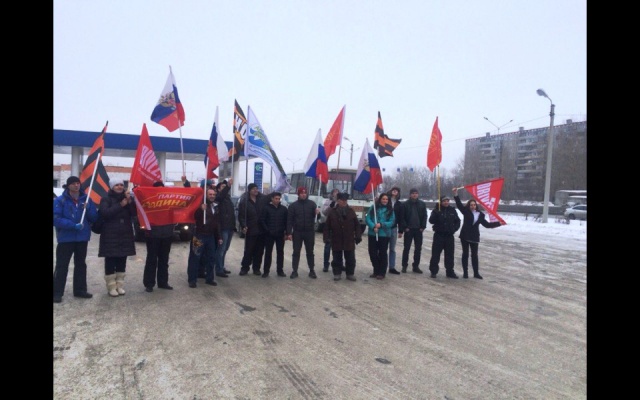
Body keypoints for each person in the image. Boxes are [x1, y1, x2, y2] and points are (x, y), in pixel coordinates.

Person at [53, 176, 100, 303]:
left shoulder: (86, 199)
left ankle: (80, 290)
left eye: (78, 183)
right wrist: (72, 225)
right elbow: (56, 219)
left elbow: (94, 218)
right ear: (68, 185)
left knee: (80, 264)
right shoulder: (60, 200)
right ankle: (57, 292)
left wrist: (88, 209)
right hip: (66, 238)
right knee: (62, 265)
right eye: (73, 183)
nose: (76, 185)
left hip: (82, 238)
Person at [98, 178, 137, 297]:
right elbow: (105, 213)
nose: (119, 187)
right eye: (116, 185)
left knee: (122, 260)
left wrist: (130, 202)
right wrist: (120, 205)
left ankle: (120, 285)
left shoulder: (127, 198)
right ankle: (111, 286)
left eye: (121, 185)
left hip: (125, 234)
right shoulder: (106, 199)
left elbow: (134, 214)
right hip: (110, 234)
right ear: (112, 187)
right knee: (110, 260)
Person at [453, 187, 502, 279]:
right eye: (471, 205)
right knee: (465, 254)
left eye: (474, 205)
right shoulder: (466, 212)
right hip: (465, 236)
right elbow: (459, 204)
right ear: (469, 205)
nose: (473, 206)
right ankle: (465, 273)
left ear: (476, 205)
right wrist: (456, 194)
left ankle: (476, 273)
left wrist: (499, 223)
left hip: (474, 237)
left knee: (474, 255)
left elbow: (487, 225)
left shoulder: (480, 215)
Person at [142, 181, 176, 293]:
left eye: (162, 188)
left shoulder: (169, 201)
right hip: (153, 235)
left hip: (167, 234)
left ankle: (163, 282)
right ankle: (149, 283)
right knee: (151, 260)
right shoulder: (149, 201)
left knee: (164, 260)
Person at [187, 186, 223, 288]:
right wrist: (200, 210)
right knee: (195, 257)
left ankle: (210, 278)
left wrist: (219, 236)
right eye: (210, 194)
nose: (212, 196)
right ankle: (192, 280)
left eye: (214, 194)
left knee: (211, 258)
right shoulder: (199, 205)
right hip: (199, 236)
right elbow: (194, 216)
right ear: (206, 195)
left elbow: (217, 223)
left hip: (210, 236)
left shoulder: (215, 206)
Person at [323, 192, 362, 281]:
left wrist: (358, 236)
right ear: (338, 201)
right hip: (336, 238)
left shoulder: (351, 211)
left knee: (350, 258)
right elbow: (327, 227)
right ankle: (337, 273)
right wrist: (326, 238)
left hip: (349, 239)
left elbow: (357, 225)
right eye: (342, 200)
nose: (344, 202)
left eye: (345, 200)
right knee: (336, 258)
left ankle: (350, 273)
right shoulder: (332, 212)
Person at [286, 186, 320, 279]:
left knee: (310, 252)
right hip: (297, 232)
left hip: (309, 232)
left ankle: (312, 270)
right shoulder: (293, 206)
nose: (303, 195)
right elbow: (289, 220)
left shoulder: (312, 204)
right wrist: (289, 233)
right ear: (298, 194)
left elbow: (317, 218)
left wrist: (318, 213)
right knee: (296, 252)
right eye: (301, 193)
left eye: (305, 193)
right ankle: (294, 271)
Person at [428, 195, 462, 279]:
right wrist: (436, 213)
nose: (446, 202)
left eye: (447, 201)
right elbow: (431, 221)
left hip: (449, 236)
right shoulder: (437, 210)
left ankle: (450, 271)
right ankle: (433, 271)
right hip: (439, 235)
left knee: (449, 255)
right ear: (441, 202)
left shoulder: (452, 210)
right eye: (444, 201)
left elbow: (458, 221)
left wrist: (454, 229)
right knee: (435, 254)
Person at [238, 183, 267, 276]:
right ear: (249, 190)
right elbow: (241, 216)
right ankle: (245, 268)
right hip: (250, 229)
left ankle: (256, 268)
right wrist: (243, 225)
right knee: (248, 250)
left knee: (259, 251)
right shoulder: (245, 201)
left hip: (261, 230)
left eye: (256, 188)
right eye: (253, 189)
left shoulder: (262, 200)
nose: (255, 190)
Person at [365, 193, 396, 280]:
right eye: (383, 199)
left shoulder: (390, 210)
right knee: (372, 253)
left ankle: (382, 272)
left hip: (384, 234)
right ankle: (376, 270)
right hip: (373, 233)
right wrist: (373, 226)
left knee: (382, 253)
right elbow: (367, 218)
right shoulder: (373, 208)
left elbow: (392, 222)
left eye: (386, 199)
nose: (385, 201)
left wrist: (381, 225)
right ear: (380, 199)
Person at [259, 191, 288, 277]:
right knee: (268, 253)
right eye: (276, 198)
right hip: (269, 234)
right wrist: (267, 230)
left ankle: (280, 270)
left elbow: (286, 221)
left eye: (279, 199)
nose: (277, 200)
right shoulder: (266, 208)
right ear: (272, 199)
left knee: (280, 253)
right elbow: (262, 220)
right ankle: (266, 271)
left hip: (280, 234)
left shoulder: (283, 209)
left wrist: (286, 232)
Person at [399, 188, 428, 273]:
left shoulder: (422, 204)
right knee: (406, 248)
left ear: (418, 194)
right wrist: (405, 227)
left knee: (418, 249)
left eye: (416, 193)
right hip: (409, 230)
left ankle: (415, 266)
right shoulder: (405, 204)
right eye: (413, 193)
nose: (414, 195)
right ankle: (404, 266)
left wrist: (423, 226)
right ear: (410, 195)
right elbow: (402, 217)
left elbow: (425, 216)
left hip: (418, 230)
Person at [214, 178, 234, 278]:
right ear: (218, 189)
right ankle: (218, 269)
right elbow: (221, 196)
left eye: (225, 187)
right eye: (223, 187)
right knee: (221, 249)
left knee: (225, 249)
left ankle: (221, 266)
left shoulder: (228, 199)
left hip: (230, 227)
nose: (225, 188)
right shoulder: (218, 198)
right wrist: (228, 186)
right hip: (223, 228)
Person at [321, 188, 340, 272]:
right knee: (327, 247)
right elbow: (324, 212)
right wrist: (331, 206)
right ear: (332, 194)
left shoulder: (341, 202)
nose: (336, 194)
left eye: (337, 193)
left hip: (338, 227)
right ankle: (326, 265)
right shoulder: (328, 201)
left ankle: (339, 263)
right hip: (329, 227)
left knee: (339, 247)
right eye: (334, 193)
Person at [387, 186, 403, 274]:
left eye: (396, 191)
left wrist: (401, 230)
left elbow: (401, 218)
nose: (395, 192)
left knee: (392, 248)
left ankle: (392, 267)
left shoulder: (399, 204)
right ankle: (382, 266)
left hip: (394, 228)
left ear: (398, 193)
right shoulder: (386, 201)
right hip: (385, 227)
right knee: (383, 248)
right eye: (393, 190)